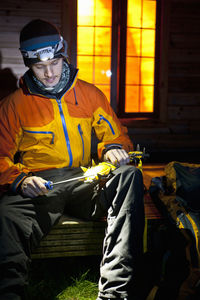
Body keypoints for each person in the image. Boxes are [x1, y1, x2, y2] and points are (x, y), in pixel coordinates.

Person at [0, 19, 145, 300]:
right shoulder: (13, 106)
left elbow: (116, 135)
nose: (49, 73)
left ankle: (116, 292)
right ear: (28, 64)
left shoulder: (89, 94)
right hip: (40, 186)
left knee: (129, 176)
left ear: (62, 55)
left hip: (84, 182)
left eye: (54, 62)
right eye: (39, 67)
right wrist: (19, 180)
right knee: (5, 214)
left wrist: (113, 148)